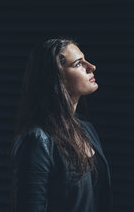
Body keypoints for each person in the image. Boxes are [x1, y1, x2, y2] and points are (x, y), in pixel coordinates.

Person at [10, 38, 113, 212]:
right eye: (79, 64)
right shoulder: (37, 140)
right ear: (56, 77)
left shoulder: (86, 129)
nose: (92, 67)